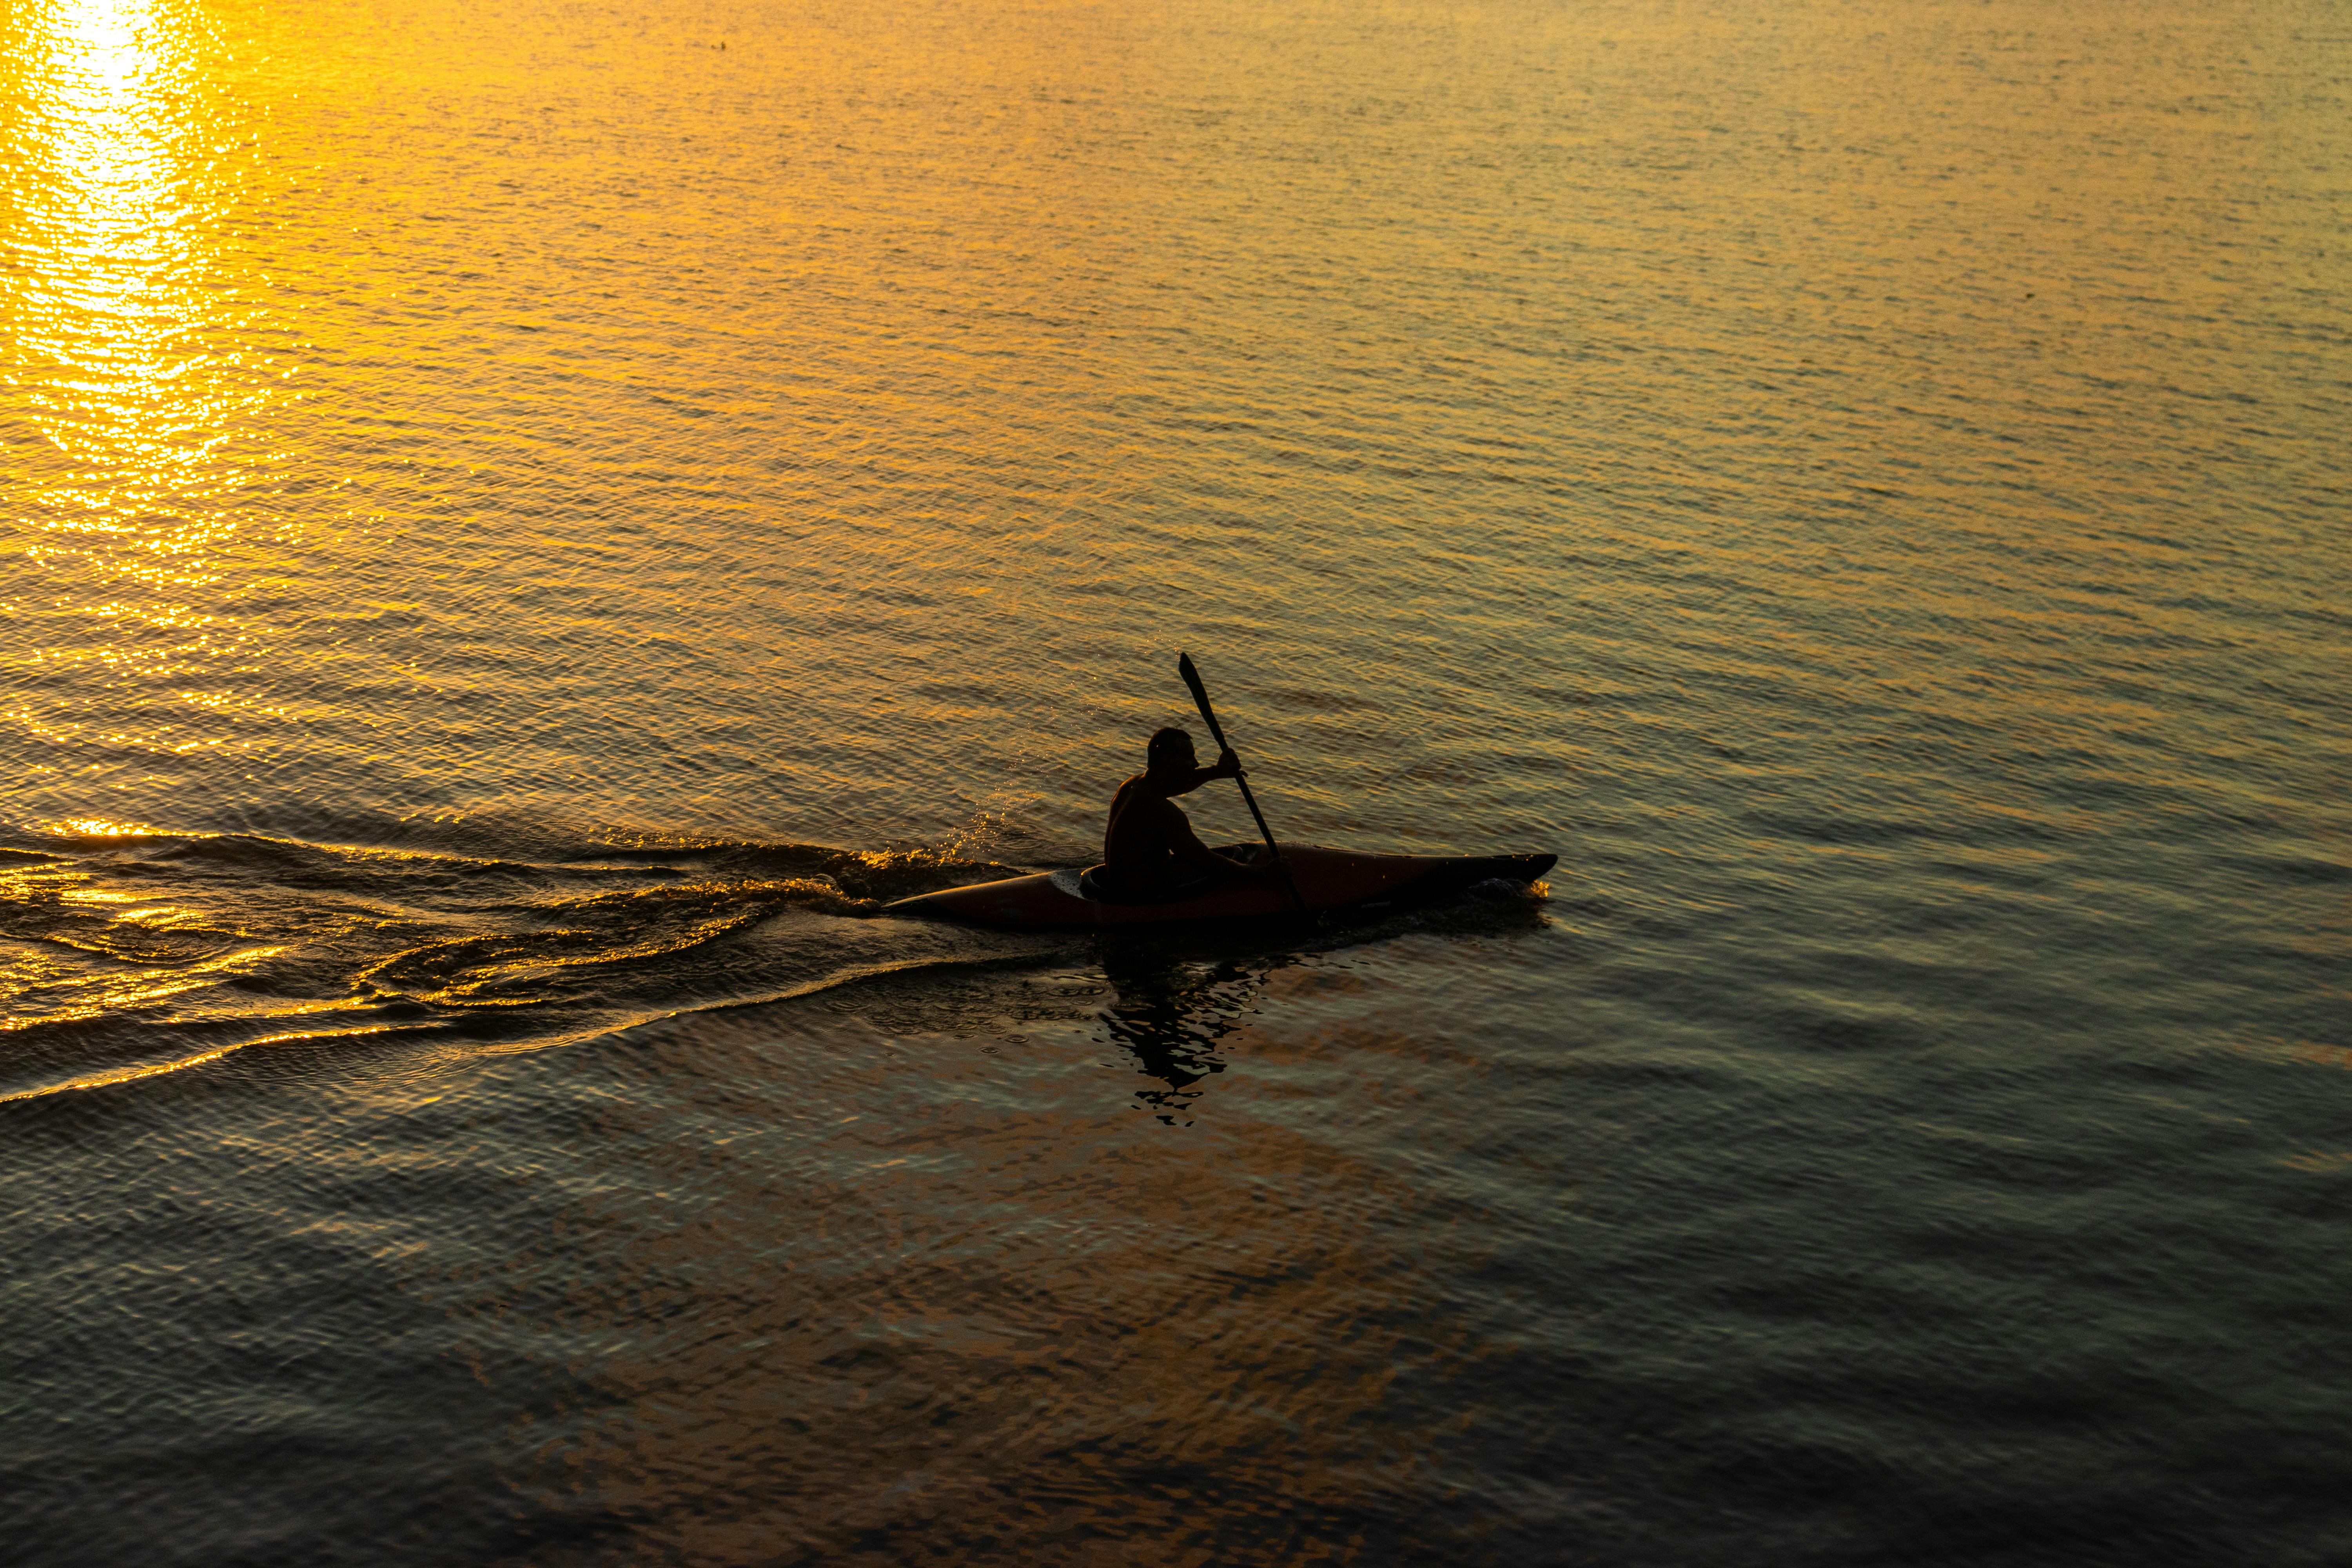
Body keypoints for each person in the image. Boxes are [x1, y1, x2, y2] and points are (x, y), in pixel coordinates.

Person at [1101, 727, 1288, 896]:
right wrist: (1264, 874)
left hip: (1119, 884)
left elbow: (1176, 785)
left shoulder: (1131, 787)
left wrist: (1217, 771)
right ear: (1168, 761)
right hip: (1141, 896)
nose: (1196, 763)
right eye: (1189, 757)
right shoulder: (1163, 813)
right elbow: (1207, 862)